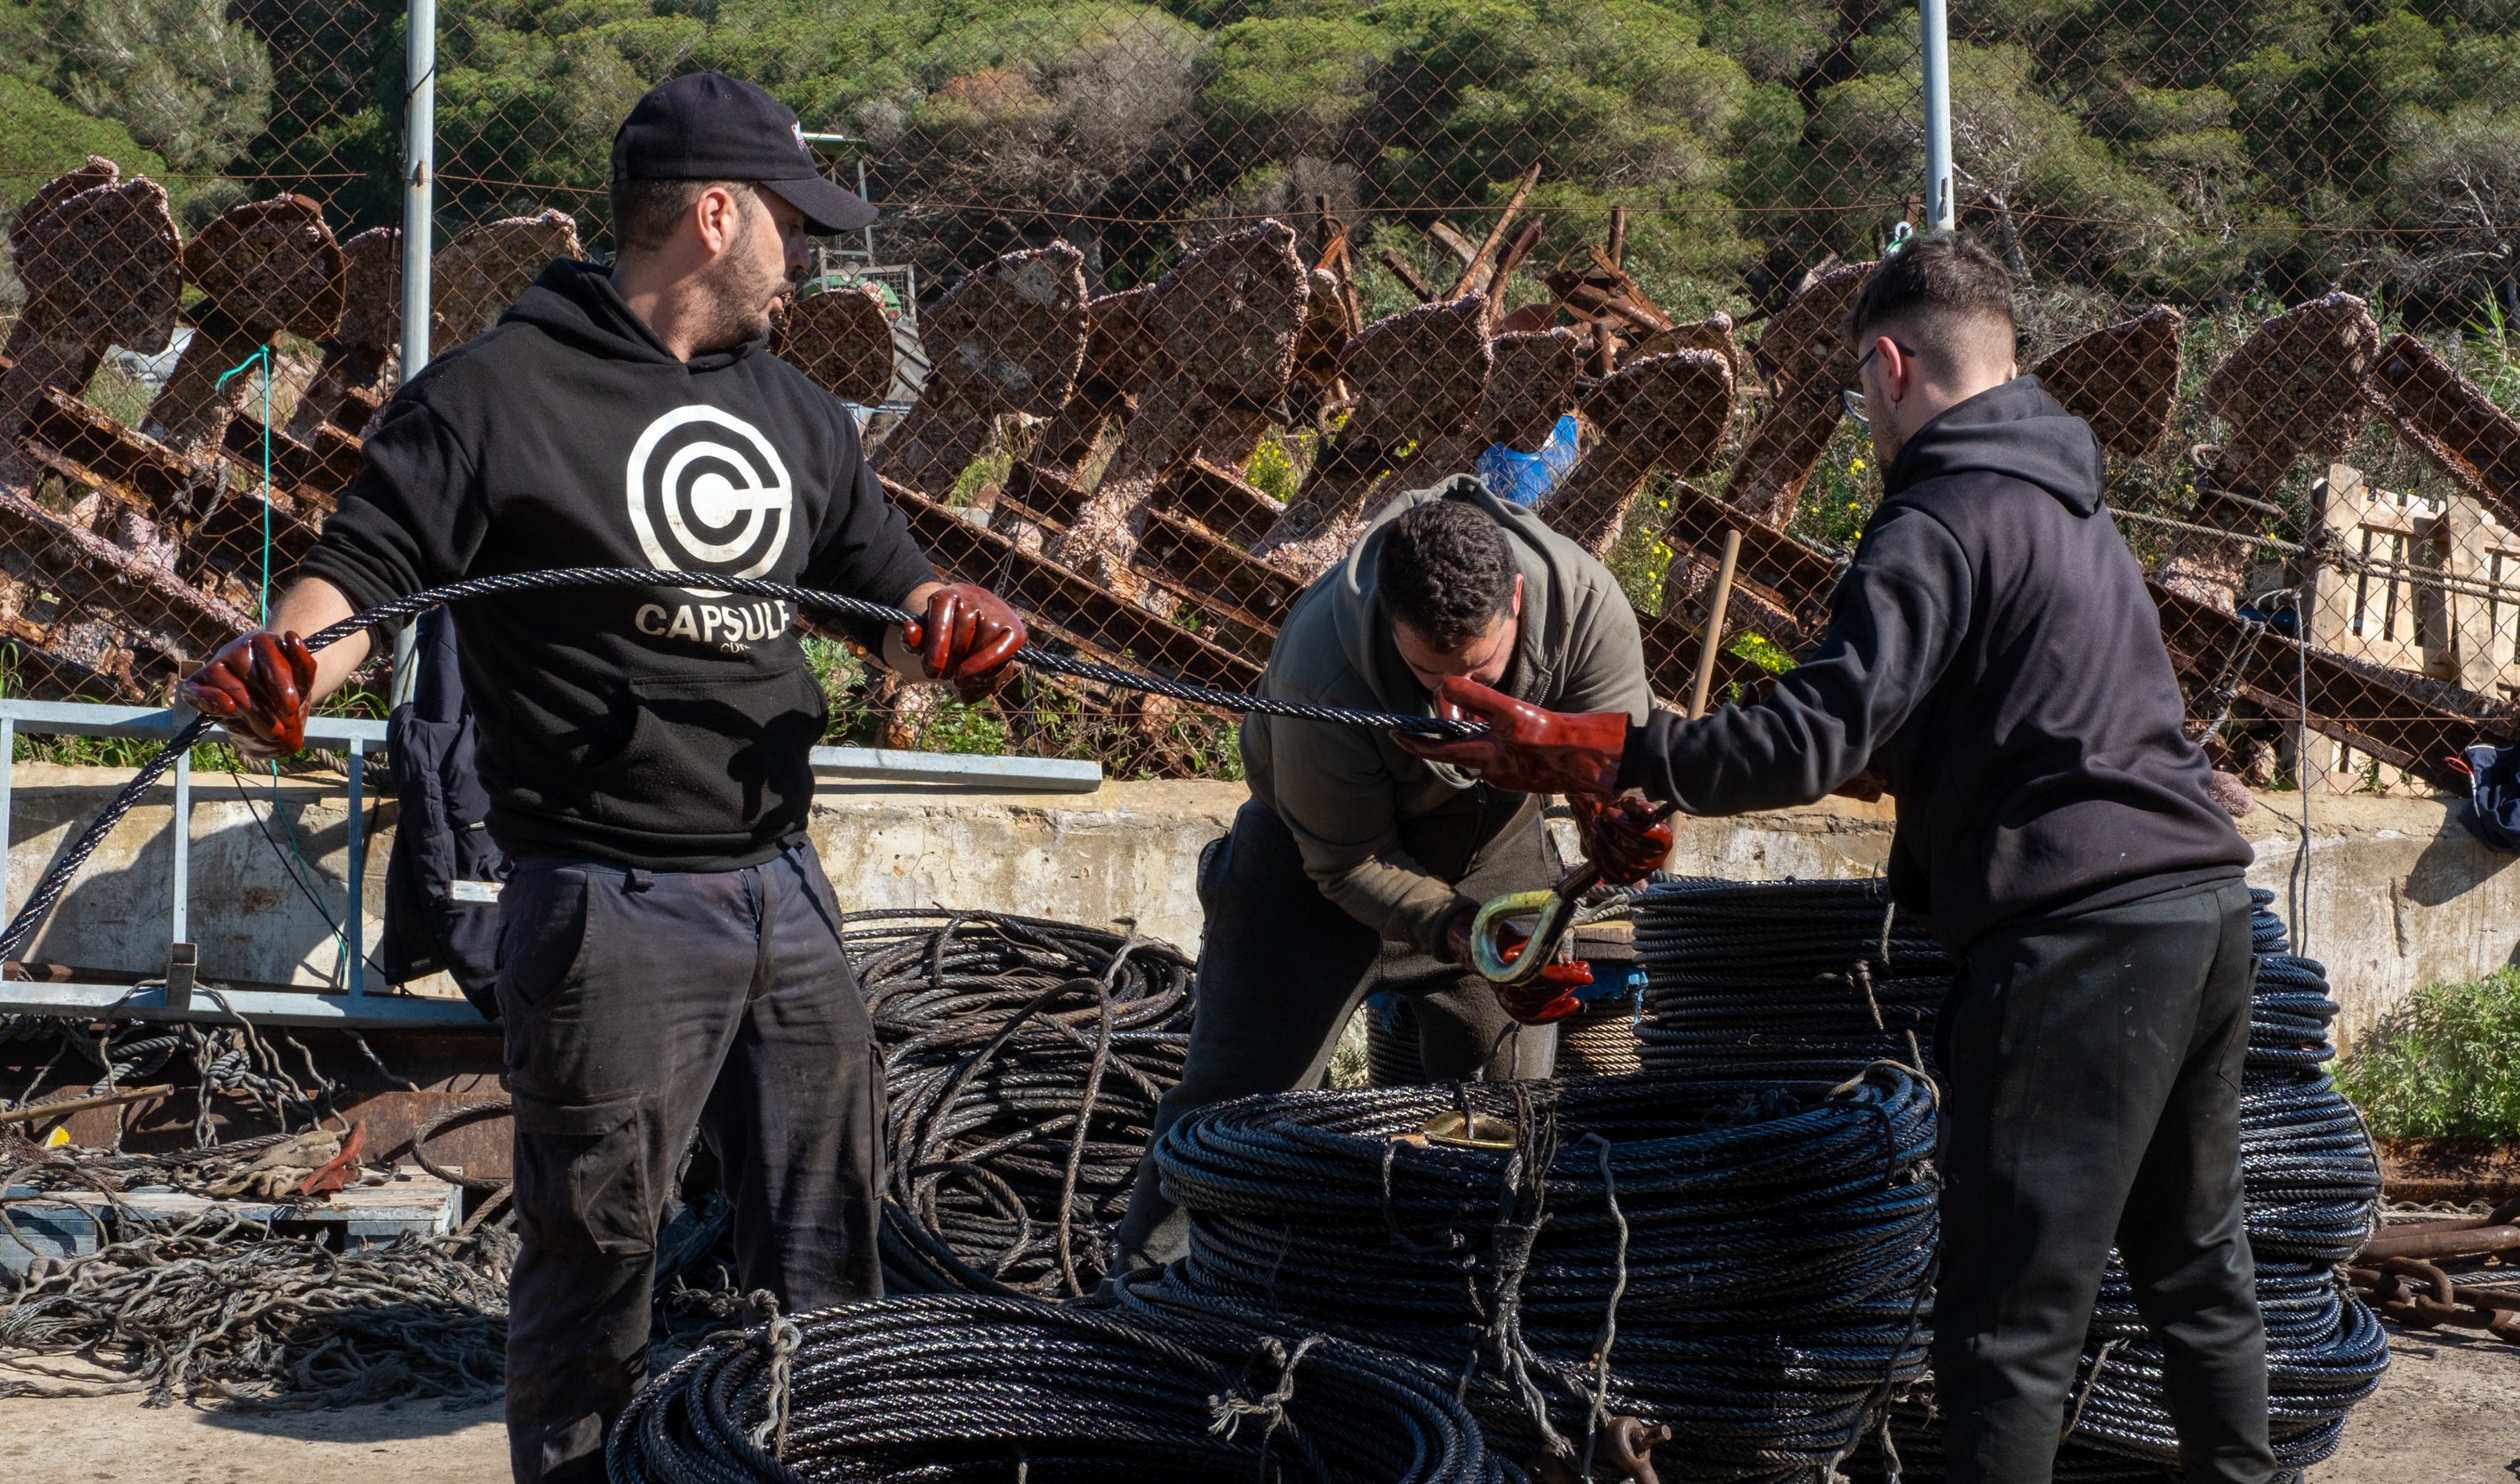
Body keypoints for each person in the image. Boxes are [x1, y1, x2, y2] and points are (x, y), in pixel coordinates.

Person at [177, 72, 1028, 1484]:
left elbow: (888, 583)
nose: (803, 259)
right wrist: (285, 668)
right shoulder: (492, 398)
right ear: (712, 215)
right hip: (605, 907)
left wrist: (964, 625)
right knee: (598, 1264)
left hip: (783, 890)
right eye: (790, 226)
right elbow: (360, 578)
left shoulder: (800, 412)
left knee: (829, 1240)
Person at [1401, 235, 2273, 1484]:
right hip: (2199, 913)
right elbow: (1988, 721)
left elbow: (1816, 733)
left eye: (1859, 389)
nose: (1863, 413)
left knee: (2006, 1316)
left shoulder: (1933, 518)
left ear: (1887, 362)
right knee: (2197, 1268)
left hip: (2073, 942)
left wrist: (1619, 751)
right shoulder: (2069, 513)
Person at [1109, 477, 1665, 1272]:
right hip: (1308, 868)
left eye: (1477, 673)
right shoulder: (1319, 663)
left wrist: (1617, 823)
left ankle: (1470, 1303)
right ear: (1387, 623)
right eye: (1427, 681)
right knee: (1233, 1104)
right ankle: (1137, 1290)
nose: (1451, 715)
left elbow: (1625, 771)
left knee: (1504, 1105)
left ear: (1515, 599)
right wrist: (1463, 932)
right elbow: (1346, 861)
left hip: (1491, 844)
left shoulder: (1585, 608)